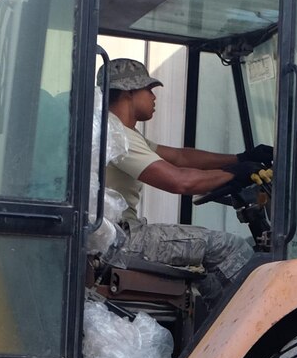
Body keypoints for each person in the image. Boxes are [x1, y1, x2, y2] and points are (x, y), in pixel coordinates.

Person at [101, 58, 271, 308]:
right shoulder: (117, 135)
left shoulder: (122, 132)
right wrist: (236, 174)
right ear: (129, 92)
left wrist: (240, 159)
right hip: (123, 239)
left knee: (208, 274)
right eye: (148, 90)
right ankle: (255, 327)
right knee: (229, 247)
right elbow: (181, 182)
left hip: (120, 234)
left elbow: (181, 157)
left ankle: (213, 333)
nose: (153, 97)